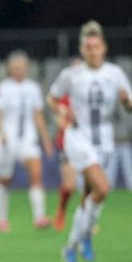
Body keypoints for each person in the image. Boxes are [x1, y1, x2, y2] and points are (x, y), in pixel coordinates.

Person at [47, 21, 132, 262]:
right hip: (78, 138)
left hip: (104, 139)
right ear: (82, 49)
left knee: (91, 196)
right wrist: (61, 111)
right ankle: (80, 240)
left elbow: (131, 106)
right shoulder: (71, 74)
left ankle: (74, 243)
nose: (92, 51)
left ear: (104, 48)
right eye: (87, 47)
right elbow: (52, 98)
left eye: (96, 46)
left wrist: (127, 102)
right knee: (103, 188)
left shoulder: (115, 73)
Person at [0, 50, 53, 232]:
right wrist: (1, 133)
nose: (20, 71)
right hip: (7, 140)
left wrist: (46, 140)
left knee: (36, 176)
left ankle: (39, 217)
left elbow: (38, 115)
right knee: (4, 180)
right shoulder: (3, 88)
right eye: (16, 68)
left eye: (22, 67)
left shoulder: (33, 88)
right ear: (9, 69)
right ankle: (2, 220)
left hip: (28, 139)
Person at [53, 94, 77, 231]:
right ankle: (61, 210)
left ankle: (86, 219)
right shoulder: (66, 98)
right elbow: (60, 120)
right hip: (68, 143)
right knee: (70, 186)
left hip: (88, 145)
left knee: (90, 184)